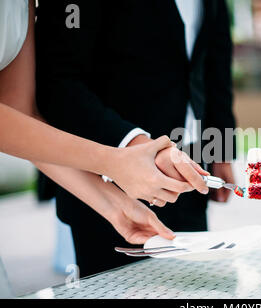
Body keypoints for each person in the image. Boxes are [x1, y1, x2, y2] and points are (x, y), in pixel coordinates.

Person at [35, 0, 237, 277]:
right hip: (103, 174)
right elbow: (58, 82)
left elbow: (216, 63)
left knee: (194, 285)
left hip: (191, 164)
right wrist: (132, 143)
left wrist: (220, 149)